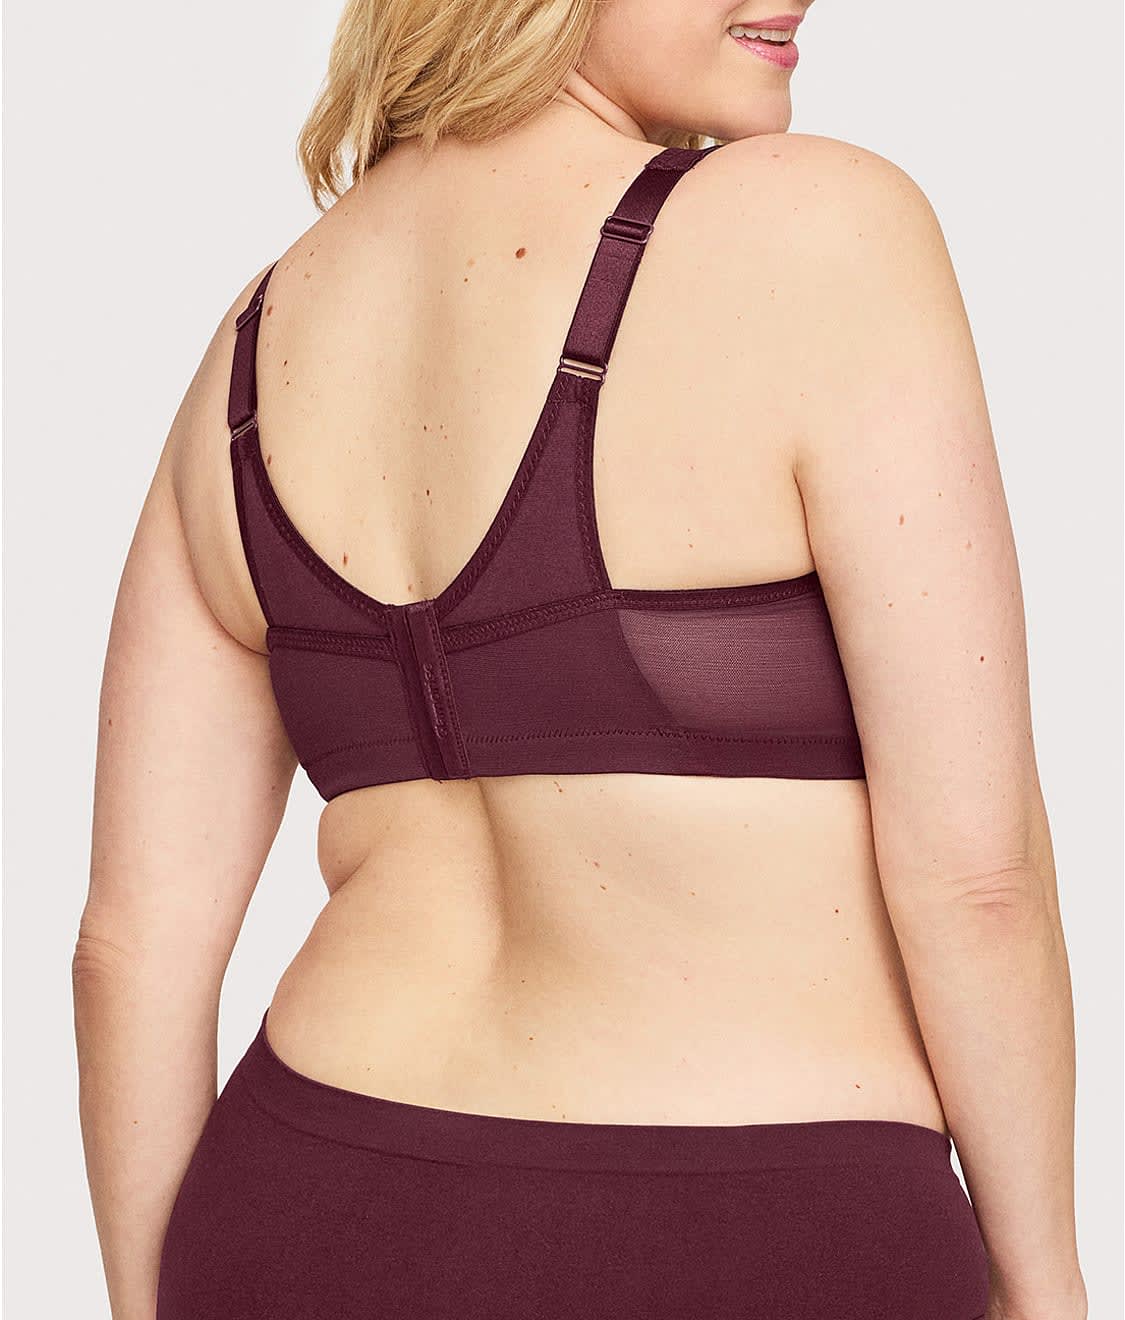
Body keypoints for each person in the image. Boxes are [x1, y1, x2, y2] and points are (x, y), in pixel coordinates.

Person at [72, 1, 1087, 1317]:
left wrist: (159, 1299)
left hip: (300, 1208)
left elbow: (130, 948)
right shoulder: (815, 224)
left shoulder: (256, 340)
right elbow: (977, 880)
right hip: (750, 1234)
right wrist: (1042, 1279)